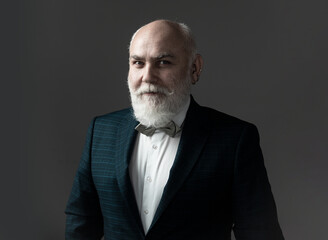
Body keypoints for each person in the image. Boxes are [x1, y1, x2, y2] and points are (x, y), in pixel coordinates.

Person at [65, 19, 284, 240]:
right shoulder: (101, 131)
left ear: (195, 68)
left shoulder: (235, 139)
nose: (147, 77)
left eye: (163, 62)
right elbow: (81, 221)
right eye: (138, 63)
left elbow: (260, 231)